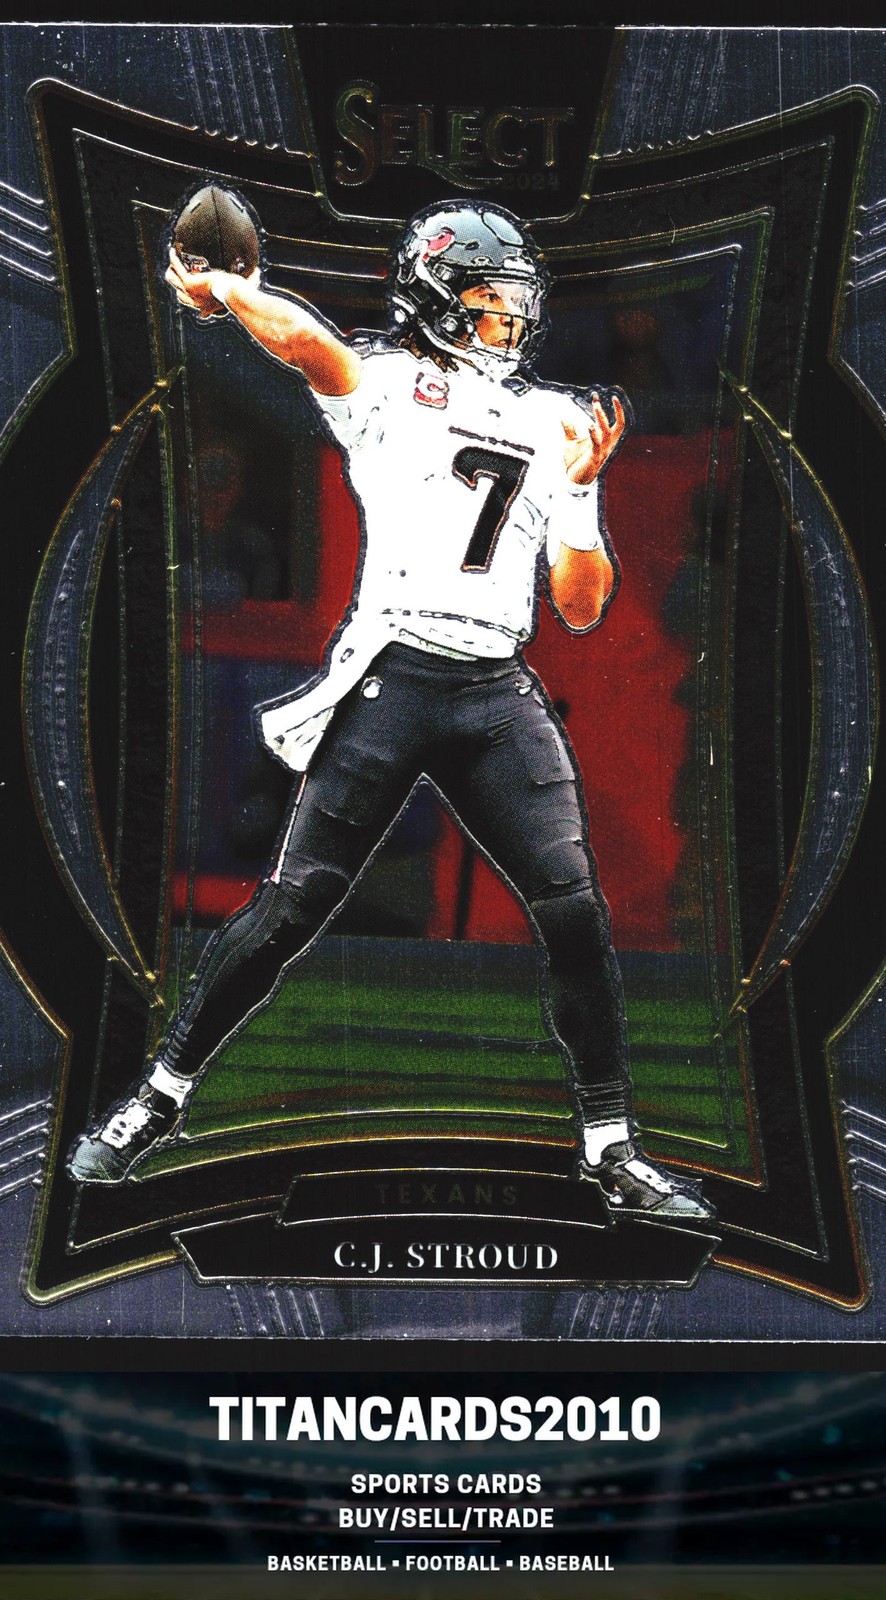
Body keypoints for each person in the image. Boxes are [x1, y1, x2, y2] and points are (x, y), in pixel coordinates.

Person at [68, 200, 714, 1222]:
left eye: (516, 302)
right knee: (291, 907)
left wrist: (586, 492)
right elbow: (308, 343)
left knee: (574, 910)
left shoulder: (557, 422)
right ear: (436, 299)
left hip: (496, 690)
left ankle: (611, 1147)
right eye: (489, 299)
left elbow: (583, 608)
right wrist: (228, 287)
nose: (510, 318)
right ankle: (155, 1100)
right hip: (395, 677)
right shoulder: (388, 388)